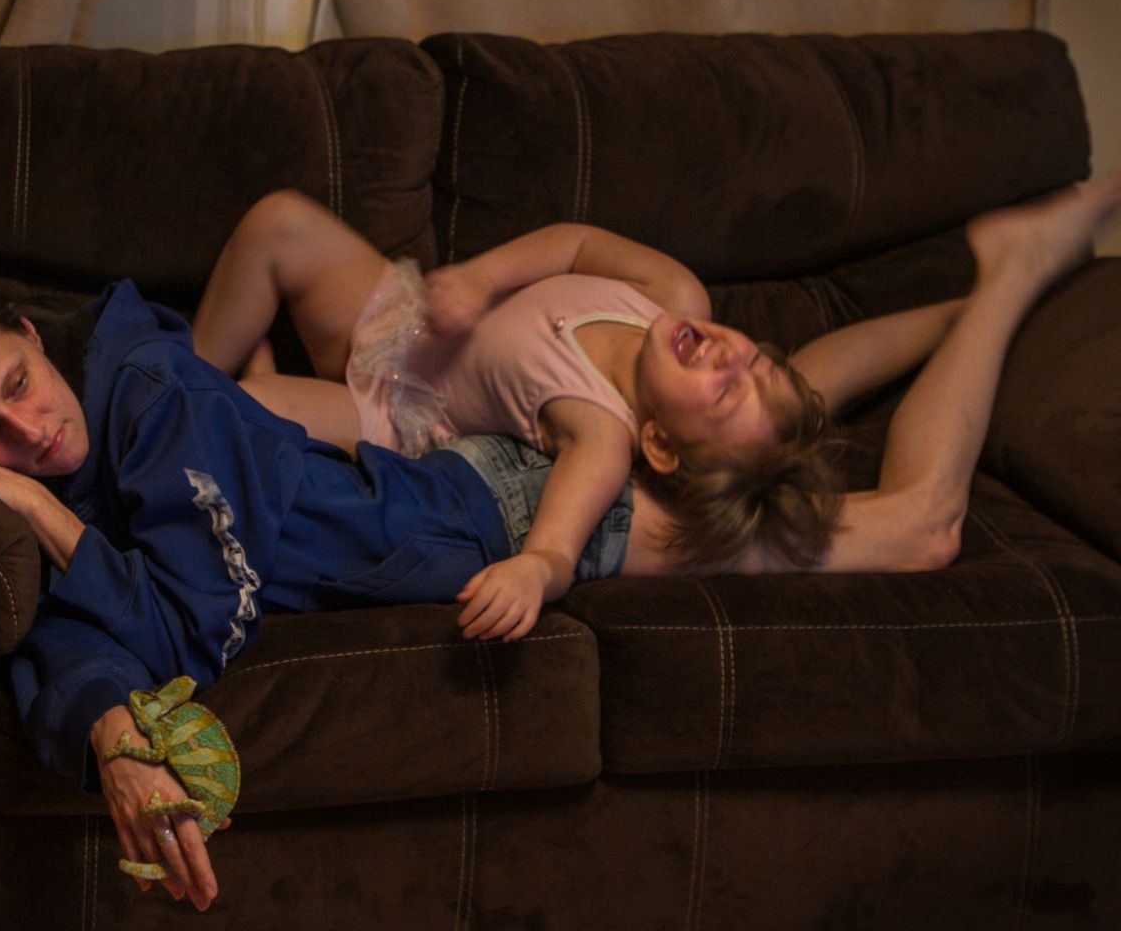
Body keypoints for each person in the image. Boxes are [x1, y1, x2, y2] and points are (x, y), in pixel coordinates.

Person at [0, 174, 1121, 911]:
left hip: (514, 510)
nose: (27, 433)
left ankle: (1002, 286)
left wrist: (52, 524)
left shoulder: (136, 395)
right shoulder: (110, 397)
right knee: (798, 426)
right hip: (469, 475)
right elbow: (101, 620)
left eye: (18, 386)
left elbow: (180, 610)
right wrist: (102, 697)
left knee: (915, 528)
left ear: (28, 332)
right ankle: (987, 295)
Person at [189, 191, 843, 643]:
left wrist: (533, 574)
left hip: (387, 412)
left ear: (661, 445)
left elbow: (556, 550)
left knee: (237, 416)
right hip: (399, 315)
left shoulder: (600, 432)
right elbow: (575, 243)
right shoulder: (673, 293)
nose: (730, 359)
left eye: (727, 394)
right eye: (755, 361)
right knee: (279, 221)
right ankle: (190, 363)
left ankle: (212, 390)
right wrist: (480, 278)